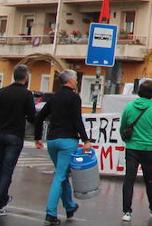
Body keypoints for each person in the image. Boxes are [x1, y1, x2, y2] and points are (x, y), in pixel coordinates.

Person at [33, 69, 92, 225]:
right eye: (76, 79)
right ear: (70, 81)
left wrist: (37, 137)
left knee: (63, 174)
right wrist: (85, 140)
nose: (77, 81)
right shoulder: (74, 98)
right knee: (59, 176)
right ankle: (50, 213)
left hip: (52, 141)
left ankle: (70, 206)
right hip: (68, 141)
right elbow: (77, 120)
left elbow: (39, 117)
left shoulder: (53, 97)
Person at [119, 80, 152, 221]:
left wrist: (127, 141)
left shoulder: (129, 107)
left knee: (129, 179)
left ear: (139, 92)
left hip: (131, 149)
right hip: (149, 149)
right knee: (149, 179)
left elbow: (122, 127)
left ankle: (126, 212)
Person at [0, 63, 36, 217]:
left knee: (1, 168)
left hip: (0, 134)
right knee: (7, 170)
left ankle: (2, 199)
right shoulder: (27, 95)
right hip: (15, 136)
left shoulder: (3, 91)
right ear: (26, 77)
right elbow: (31, 116)